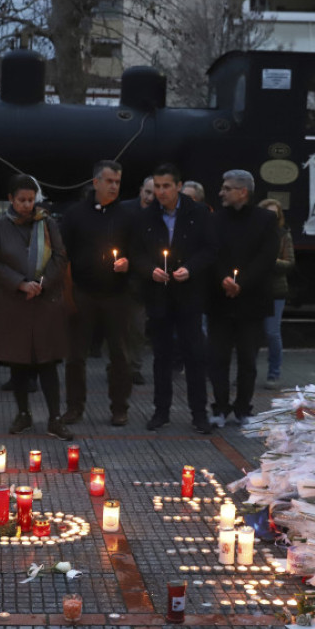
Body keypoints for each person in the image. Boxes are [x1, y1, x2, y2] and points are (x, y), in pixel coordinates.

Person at [0, 175, 73, 441]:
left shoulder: (46, 223)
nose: (27, 205)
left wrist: (42, 283)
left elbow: (60, 256)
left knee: (47, 363)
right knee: (19, 363)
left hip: (44, 302)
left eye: (31, 199)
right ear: (11, 199)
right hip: (15, 303)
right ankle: (23, 414)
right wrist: (21, 284)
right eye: (21, 200)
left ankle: (55, 418)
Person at [133, 163, 215, 433]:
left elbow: (209, 249)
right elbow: (137, 253)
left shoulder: (198, 213)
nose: (160, 192)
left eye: (166, 186)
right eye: (157, 186)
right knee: (161, 357)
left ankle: (199, 413)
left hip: (188, 295)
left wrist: (190, 268)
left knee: (195, 355)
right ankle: (161, 411)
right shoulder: (147, 216)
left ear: (178, 186)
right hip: (159, 296)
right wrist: (149, 270)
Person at [60, 160, 134, 426]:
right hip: (83, 292)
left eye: (117, 181)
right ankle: (74, 407)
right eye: (109, 181)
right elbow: (63, 254)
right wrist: (67, 292)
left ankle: (119, 407)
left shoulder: (127, 215)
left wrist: (129, 263)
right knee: (75, 355)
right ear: (96, 182)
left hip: (117, 294)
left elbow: (138, 251)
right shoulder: (75, 214)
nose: (114, 186)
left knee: (119, 355)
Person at [207, 169, 278, 426]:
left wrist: (241, 283)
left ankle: (243, 408)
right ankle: (220, 408)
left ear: (243, 191)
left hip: (252, 301)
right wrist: (223, 279)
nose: (221, 193)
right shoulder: (214, 220)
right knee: (218, 358)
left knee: (248, 359)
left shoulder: (266, 220)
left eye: (227, 188)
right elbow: (211, 253)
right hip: (220, 300)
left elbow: (267, 257)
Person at [258, 198, 295, 389]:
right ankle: (245, 373)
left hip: (275, 290)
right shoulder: (254, 233)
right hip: (254, 288)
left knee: (272, 333)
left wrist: (270, 261)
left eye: (276, 214)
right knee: (250, 334)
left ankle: (274, 373)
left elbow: (289, 263)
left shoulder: (283, 235)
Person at [121, 176, 155, 385]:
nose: (151, 197)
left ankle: (133, 366)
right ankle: (118, 365)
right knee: (118, 328)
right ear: (141, 190)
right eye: (148, 192)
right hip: (121, 277)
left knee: (137, 329)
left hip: (143, 280)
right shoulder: (125, 210)